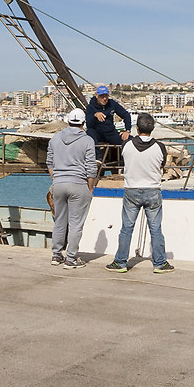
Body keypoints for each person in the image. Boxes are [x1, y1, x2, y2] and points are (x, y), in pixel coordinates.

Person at [106, 126, 174, 274]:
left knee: (126, 228)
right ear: (152, 128)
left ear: (137, 128)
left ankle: (121, 262)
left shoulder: (127, 145)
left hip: (132, 190)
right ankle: (160, 263)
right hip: (152, 190)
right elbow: (162, 164)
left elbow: (124, 160)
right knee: (155, 229)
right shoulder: (159, 147)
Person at [46, 108, 97, 269]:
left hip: (59, 184)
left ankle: (56, 255)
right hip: (78, 183)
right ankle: (71, 258)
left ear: (68, 121)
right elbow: (91, 168)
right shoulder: (87, 140)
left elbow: (49, 162)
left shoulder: (55, 138)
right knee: (76, 224)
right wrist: (90, 187)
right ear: (83, 123)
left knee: (60, 220)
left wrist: (55, 179)